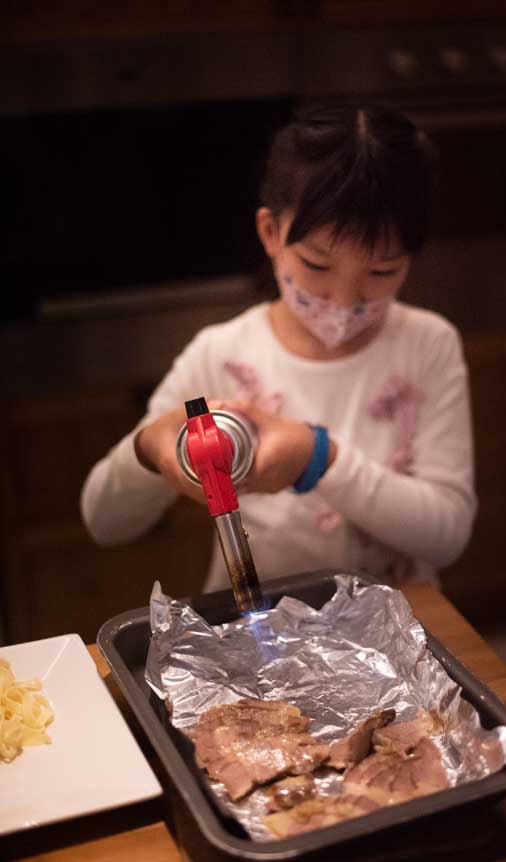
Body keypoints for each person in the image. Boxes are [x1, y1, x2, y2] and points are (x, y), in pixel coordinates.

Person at [81, 102, 477, 591]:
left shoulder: (428, 345)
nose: (342, 300)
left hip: (393, 622)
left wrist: (319, 459)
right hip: (255, 625)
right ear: (271, 233)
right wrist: (147, 450)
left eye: (381, 271)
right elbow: (103, 521)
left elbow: (447, 535)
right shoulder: (221, 355)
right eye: (316, 265)